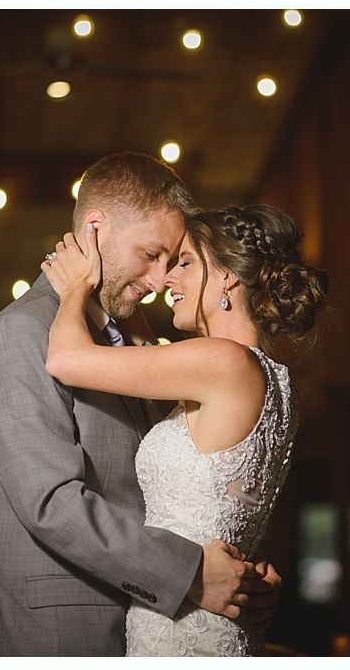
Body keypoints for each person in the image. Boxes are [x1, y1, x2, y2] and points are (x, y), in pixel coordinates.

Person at [0, 153, 281, 656]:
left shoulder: (126, 342)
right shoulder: (19, 334)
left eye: (173, 261)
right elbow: (50, 504)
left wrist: (238, 573)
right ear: (95, 230)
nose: (159, 282)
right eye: (151, 254)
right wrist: (193, 574)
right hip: (60, 638)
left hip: (151, 628)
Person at [40, 203, 329, 655]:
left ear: (229, 277)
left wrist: (77, 286)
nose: (167, 280)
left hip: (183, 627)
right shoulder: (275, 379)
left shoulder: (221, 361)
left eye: (185, 263)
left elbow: (64, 360)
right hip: (215, 620)